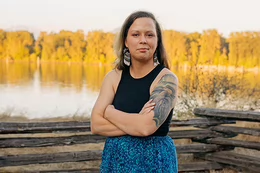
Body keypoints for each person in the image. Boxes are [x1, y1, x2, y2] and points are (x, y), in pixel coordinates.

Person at [91, 10, 179, 173]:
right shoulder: (113, 77)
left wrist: (110, 113)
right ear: (126, 41)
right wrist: (137, 120)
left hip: (155, 162)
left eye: (150, 35)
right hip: (116, 161)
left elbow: (145, 128)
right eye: (136, 34)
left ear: (157, 41)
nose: (143, 40)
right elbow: (96, 125)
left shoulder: (166, 80)